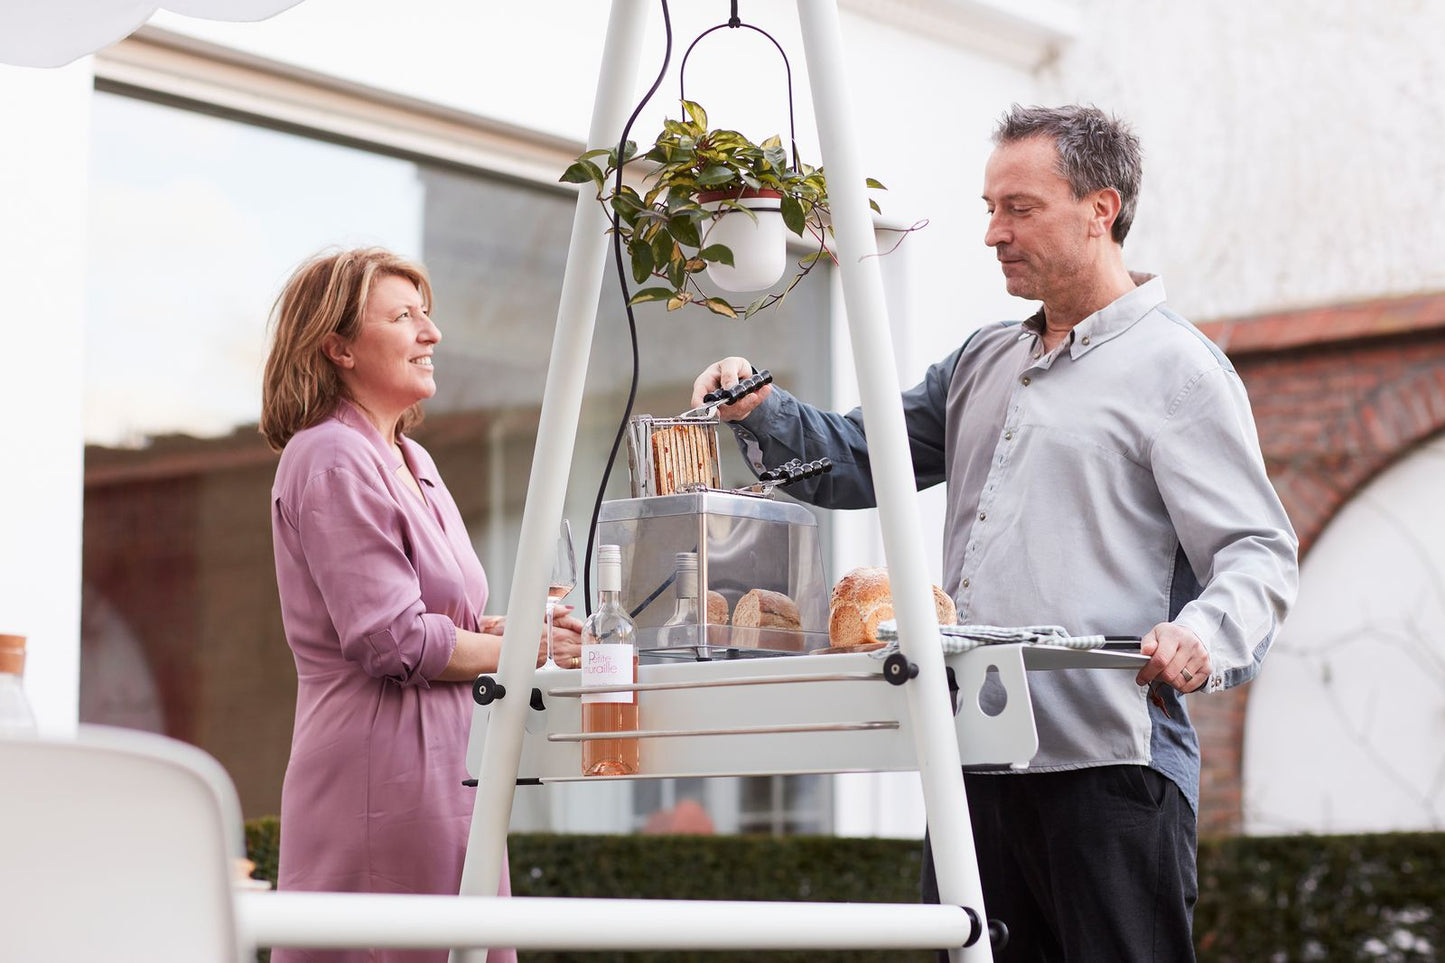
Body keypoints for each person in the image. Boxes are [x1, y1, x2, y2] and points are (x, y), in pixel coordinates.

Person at [691, 105, 1298, 961]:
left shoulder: (1180, 372)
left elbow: (1256, 549)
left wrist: (1201, 634)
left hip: (1110, 769)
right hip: (971, 763)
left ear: (1099, 209)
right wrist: (761, 409)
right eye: (989, 208)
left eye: (1019, 208)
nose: (992, 233)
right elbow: (860, 458)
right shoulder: (980, 361)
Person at [260, 247, 584, 963]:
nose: (431, 332)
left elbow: (442, 620)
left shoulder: (414, 460)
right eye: (403, 316)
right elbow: (395, 641)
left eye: (426, 313)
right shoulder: (330, 456)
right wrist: (523, 647)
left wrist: (511, 632)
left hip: (450, 768)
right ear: (338, 347)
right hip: (379, 775)